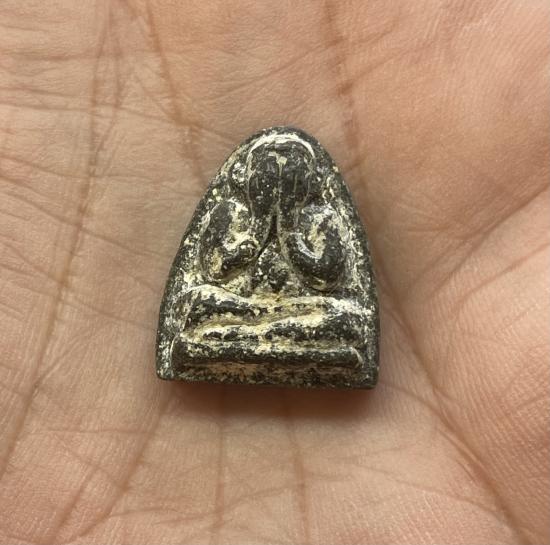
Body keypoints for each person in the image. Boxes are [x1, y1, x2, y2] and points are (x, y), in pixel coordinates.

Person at [0, 2, 548, 544]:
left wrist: (291, 232)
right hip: (239, 309)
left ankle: (262, 342)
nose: (280, 180)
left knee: (340, 317)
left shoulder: (318, 215)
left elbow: (329, 279)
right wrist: (256, 235)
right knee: (204, 307)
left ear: (305, 180)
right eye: (270, 174)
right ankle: (257, 341)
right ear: (251, 178)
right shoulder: (232, 212)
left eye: (289, 176)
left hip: (301, 312)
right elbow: (217, 273)